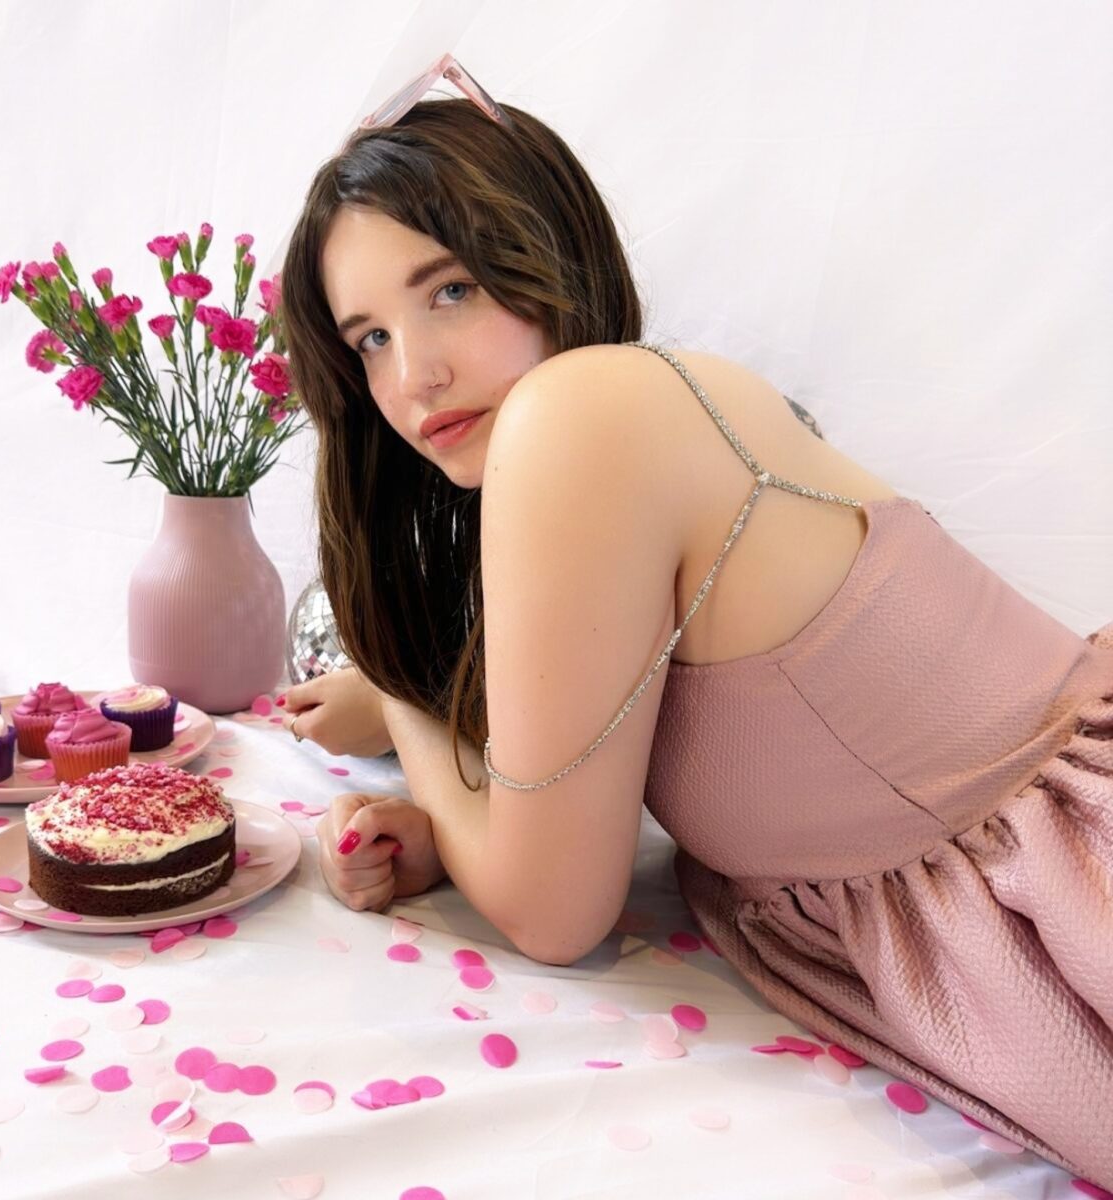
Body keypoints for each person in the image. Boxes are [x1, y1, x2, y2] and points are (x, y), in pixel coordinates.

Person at [276, 58, 1113, 1184]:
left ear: (547, 251)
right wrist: (466, 817)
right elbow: (610, 799)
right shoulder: (642, 414)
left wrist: (406, 712)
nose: (415, 373)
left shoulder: (585, 414)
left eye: (452, 289)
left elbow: (556, 916)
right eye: (369, 337)